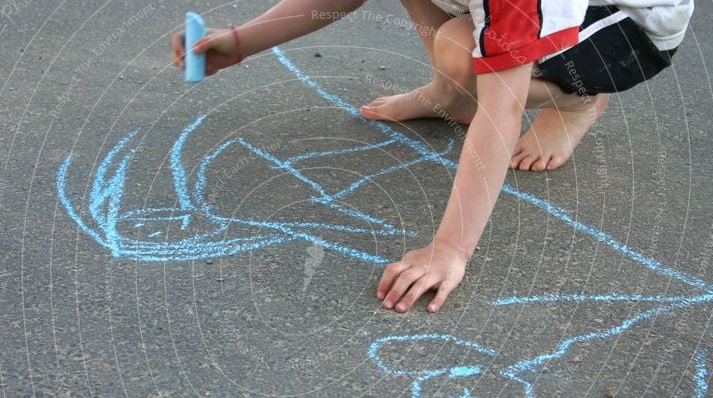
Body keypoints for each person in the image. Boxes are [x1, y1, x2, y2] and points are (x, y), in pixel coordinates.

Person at [171, 0, 693, 313]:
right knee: (458, 49)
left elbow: (501, 111)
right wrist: (240, 43)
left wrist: (449, 251)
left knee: (461, 50)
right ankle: (449, 96)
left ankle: (577, 97)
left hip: (630, 31)